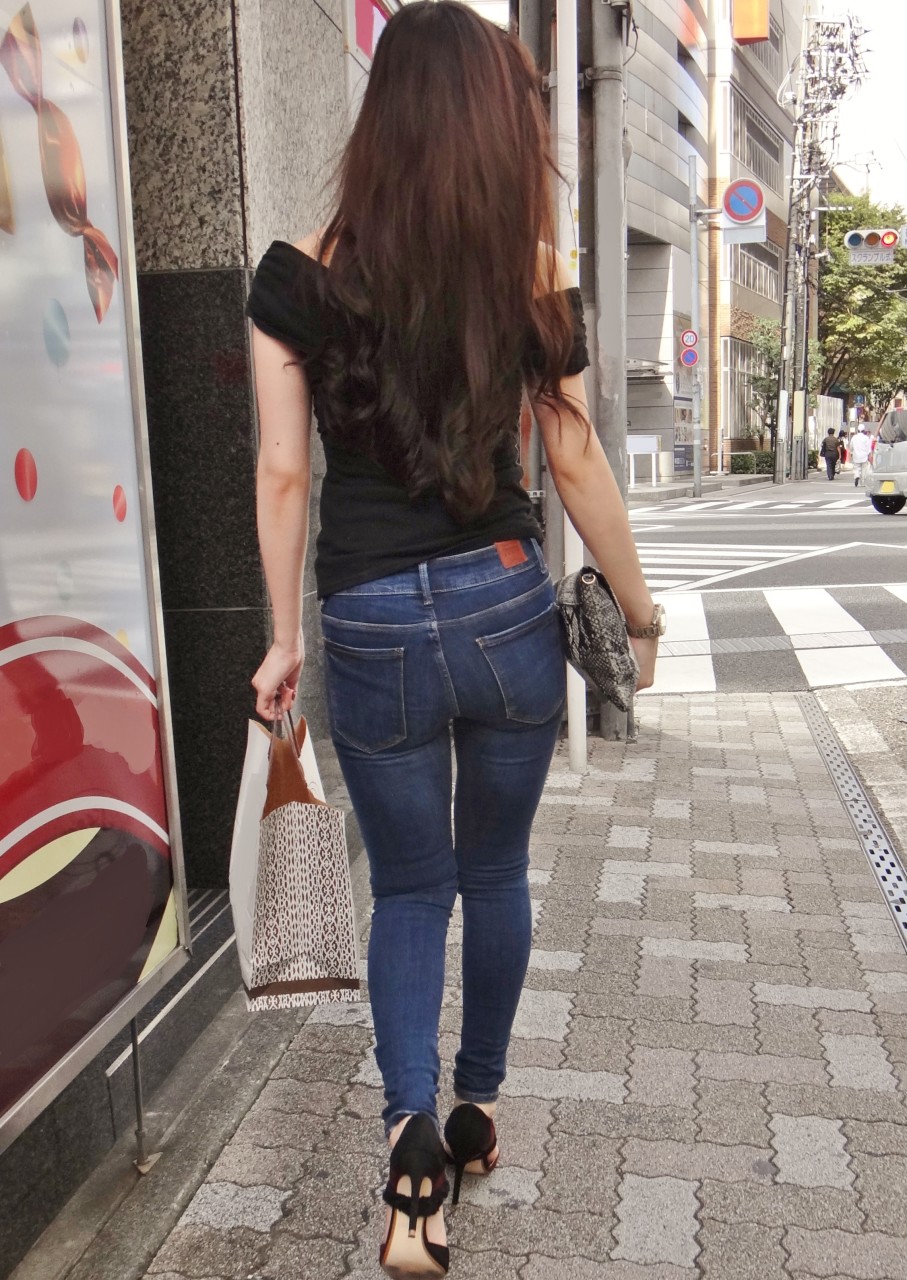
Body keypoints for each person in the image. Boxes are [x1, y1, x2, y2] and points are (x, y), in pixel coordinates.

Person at [244, 5, 659, 1276]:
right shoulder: (526, 270)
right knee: (494, 874)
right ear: (493, 128)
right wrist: (638, 611)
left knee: (410, 886)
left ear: (380, 120)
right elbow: (574, 456)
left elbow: (281, 473)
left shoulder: (296, 273)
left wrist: (281, 639)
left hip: (368, 617)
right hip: (502, 600)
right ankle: (476, 1104)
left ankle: (409, 1144)